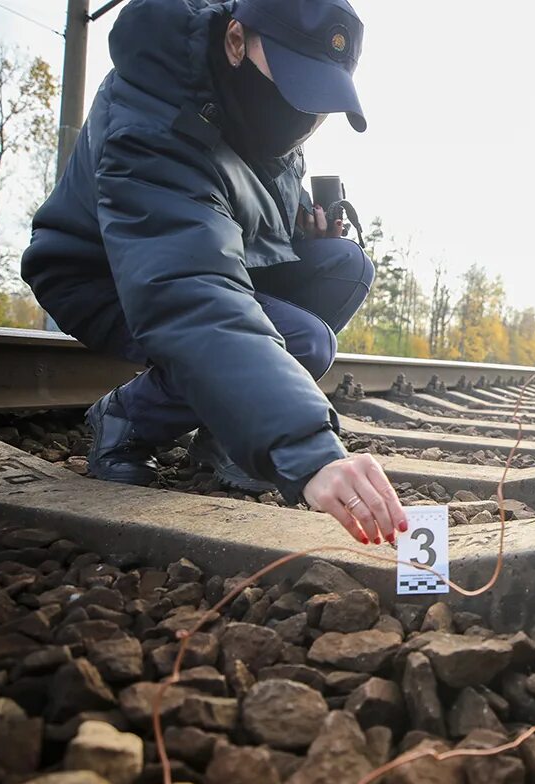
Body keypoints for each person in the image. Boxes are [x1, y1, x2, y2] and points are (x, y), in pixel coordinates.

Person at [20, 0, 405, 546]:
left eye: (321, 99)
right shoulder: (154, 108)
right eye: (296, 84)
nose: (305, 114)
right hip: (107, 272)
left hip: (204, 264)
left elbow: (242, 229)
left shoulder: (266, 120)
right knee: (305, 342)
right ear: (234, 40)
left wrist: (307, 238)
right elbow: (189, 286)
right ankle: (126, 418)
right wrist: (307, 449)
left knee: (345, 265)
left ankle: (224, 432)